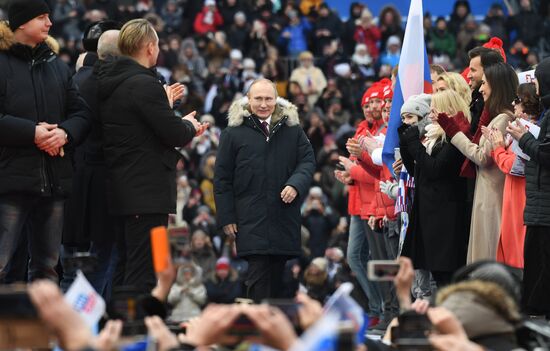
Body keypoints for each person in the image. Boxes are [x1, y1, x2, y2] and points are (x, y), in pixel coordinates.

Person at [97, 18, 205, 294]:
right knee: (142, 271)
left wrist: (168, 111)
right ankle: (137, 329)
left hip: (125, 189)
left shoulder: (113, 80)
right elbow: (174, 133)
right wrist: (189, 126)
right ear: (149, 47)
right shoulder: (144, 84)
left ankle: (120, 327)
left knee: (125, 265)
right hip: (145, 192)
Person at [0, 0, 90, 282]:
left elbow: (82, 113)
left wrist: (64, 133)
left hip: (52, 182)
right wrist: (32, 133)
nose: (50, 23)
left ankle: (42, 327)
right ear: (22, 22)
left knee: (47, 269)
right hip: (9, 182)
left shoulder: (57, 66)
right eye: (42, 17)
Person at [214, 78, 315, 302]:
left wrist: (295, 184)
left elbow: (307, 161)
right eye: (258, 98)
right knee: (258, 277)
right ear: (248, 100)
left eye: (268, 99)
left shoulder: (293, 130)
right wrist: (227, 217)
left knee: (280, 279)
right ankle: (259, 328)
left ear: (276, 100)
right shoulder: (232, 133)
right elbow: (222, 179)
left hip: (283, 216)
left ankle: (276, 330)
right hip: (250, 218)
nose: (263, 104)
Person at [60, 23, 120, 297]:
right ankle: (84, 324)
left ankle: (66, 326)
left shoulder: (74, 80)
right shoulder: (115, 85)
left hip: (69, 179)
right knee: (99, 262)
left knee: (71, 263)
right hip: (103, 183)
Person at [437, 62, 518, 263]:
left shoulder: (503, 119)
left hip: (493, 199)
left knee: (488, 262)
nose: (481, 89)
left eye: (485, 83)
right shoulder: (498, 118)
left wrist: (454, 133)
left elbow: (482, 157)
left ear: (498, 85)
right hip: (488, 195)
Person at [399, 90, 470, 287]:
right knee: (437, 275)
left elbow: (435, 169)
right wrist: (405, 143)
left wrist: (413, 144)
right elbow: (416, 170)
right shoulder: (433, 135)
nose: (431, 115)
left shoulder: (455, 136)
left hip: (446, 215)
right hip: (429, 212)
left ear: (447, 110)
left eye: (434, 110)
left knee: (448, 275)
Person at [507, 57, 550, 318]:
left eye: (537, 81)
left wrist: (522, 138)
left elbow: (546, 155)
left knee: (541, 263)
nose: (535, 88)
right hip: (539, 203)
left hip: (544, 205)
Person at [482, 83, 541, 269]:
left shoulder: (530, 130)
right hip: (513, 198)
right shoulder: (520, 128)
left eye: (517, 100)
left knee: (518, 258)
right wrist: (498, 145)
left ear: (526, 104)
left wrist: (498, 146)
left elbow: (515, 166)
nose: (513, 104)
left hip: (520, 199)